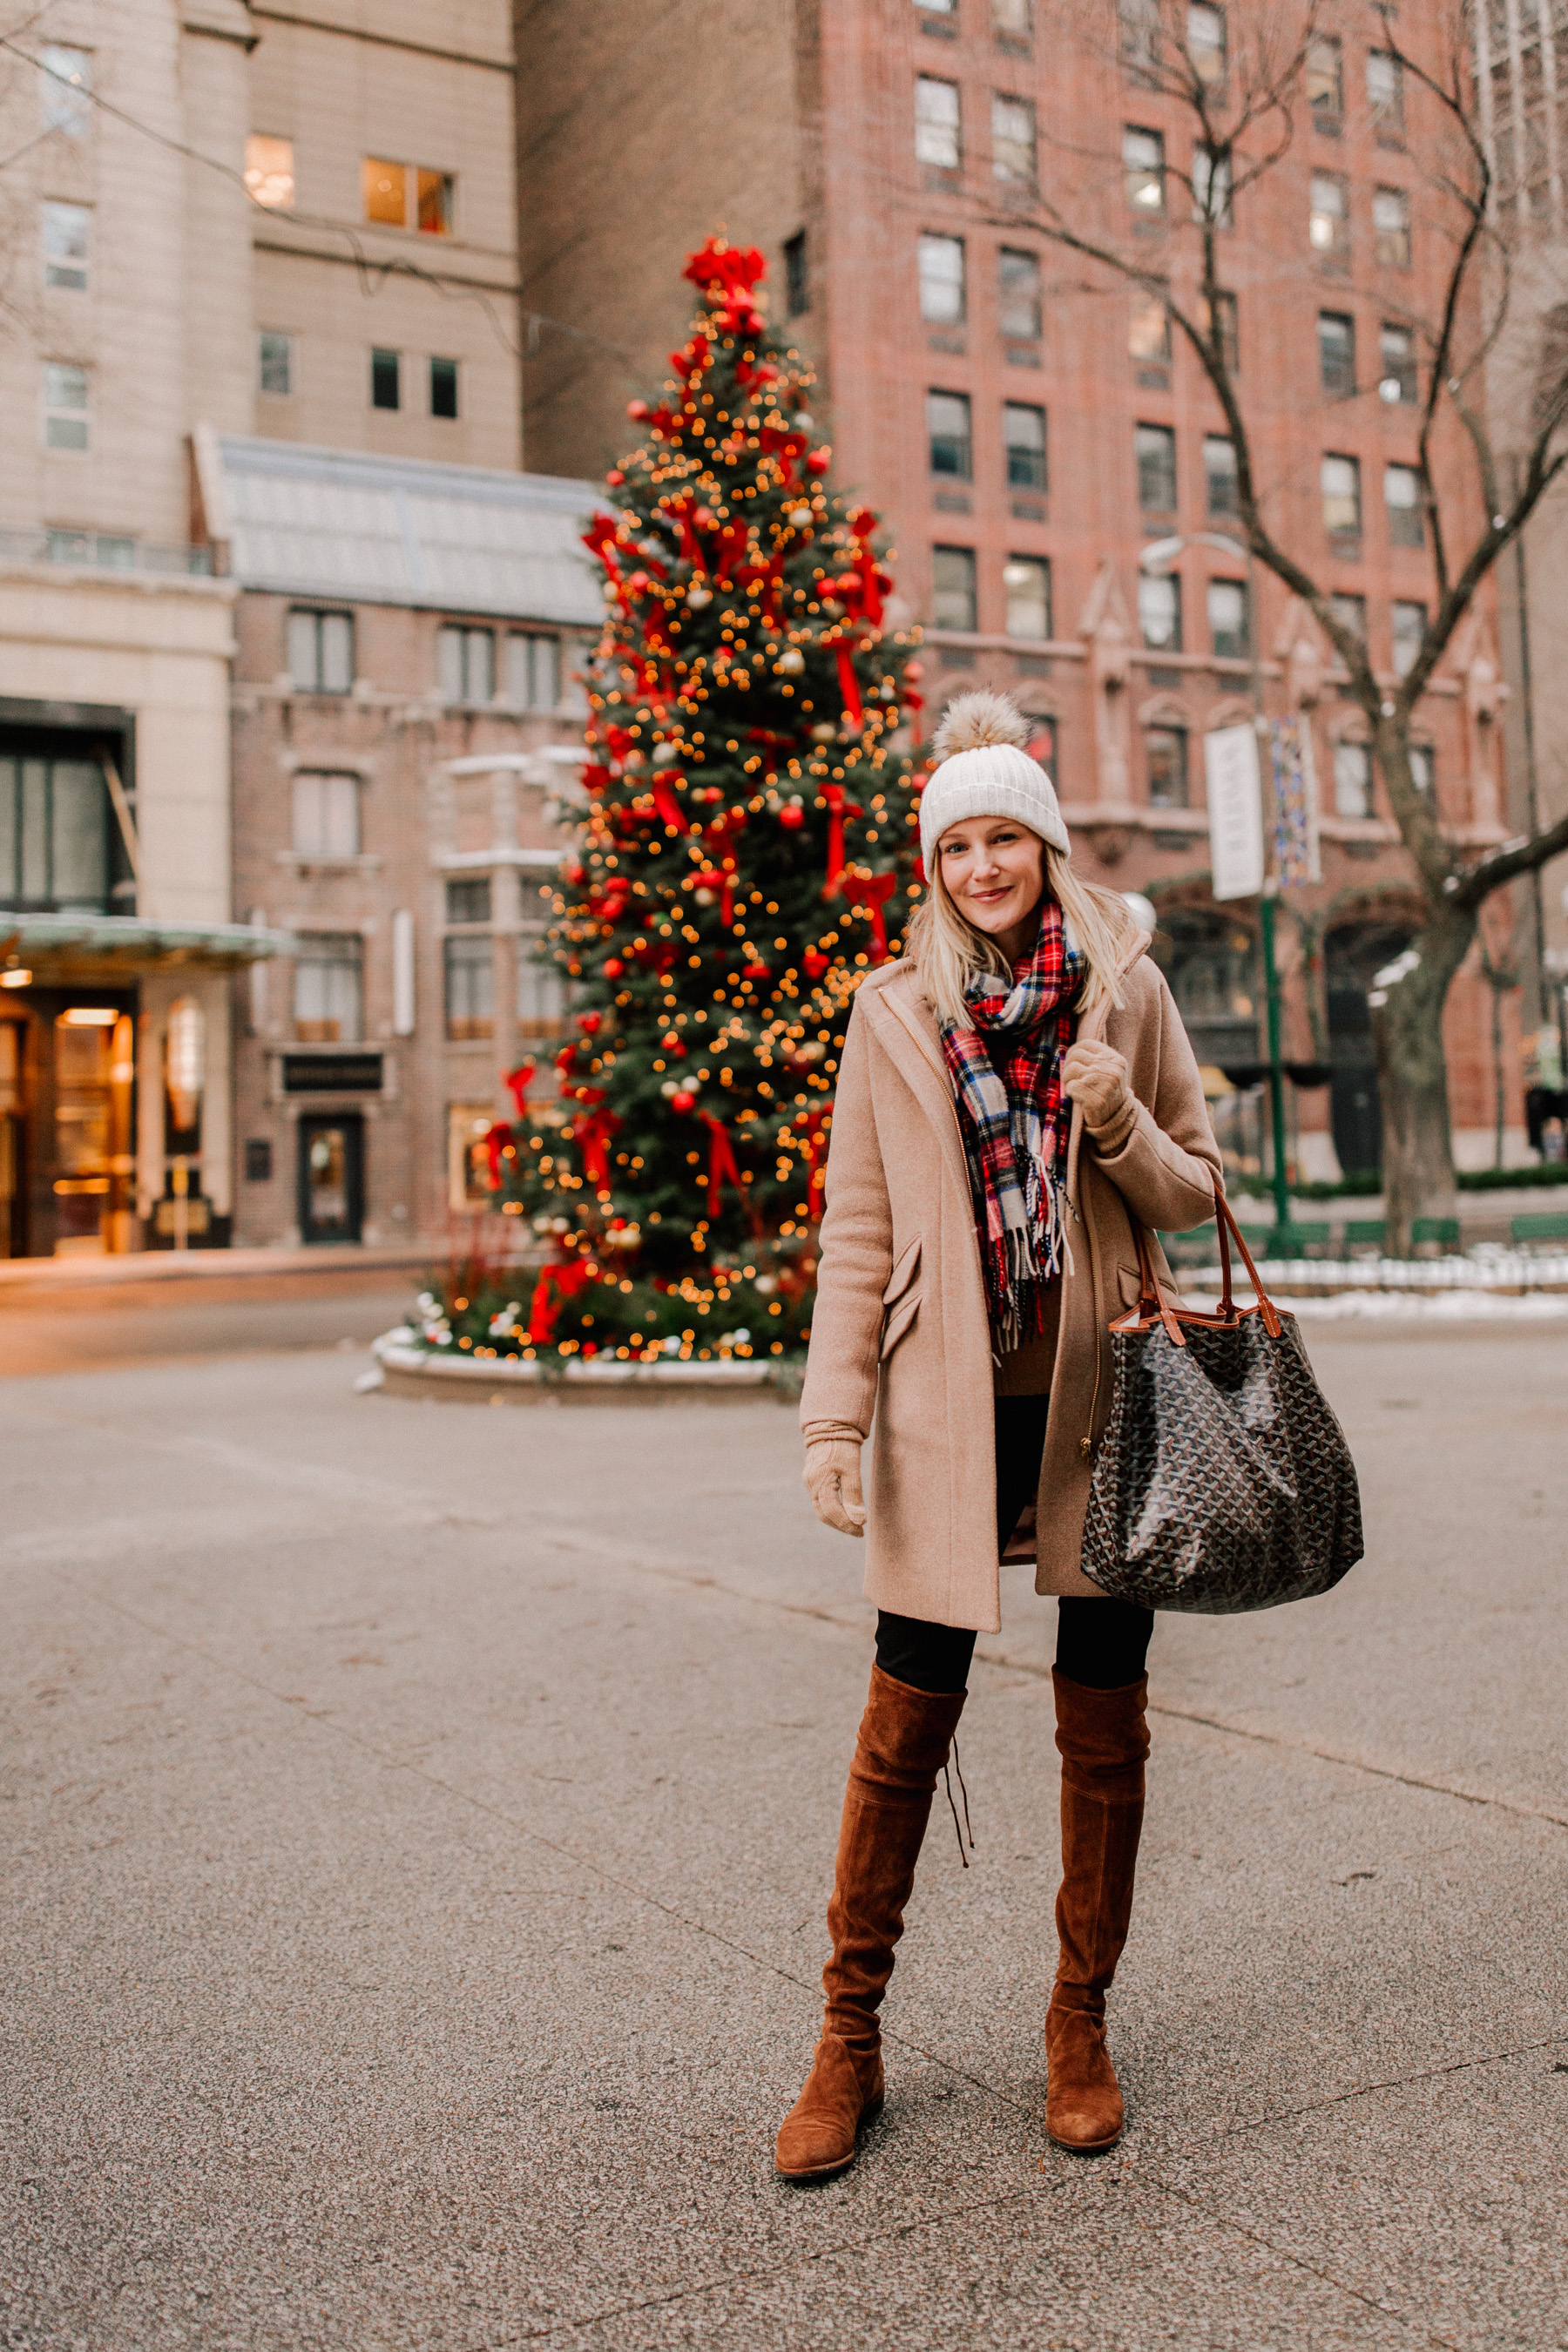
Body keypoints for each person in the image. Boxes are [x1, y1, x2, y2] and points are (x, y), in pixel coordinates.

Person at [775, 690, 1222, 2182]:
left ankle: (1078, 2021)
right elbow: (857, 1228)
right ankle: (849, 2038)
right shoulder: (891, 1010)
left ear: (1045, 843)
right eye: (955, 844)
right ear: (934, 862)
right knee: (907, 1721)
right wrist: (834, 1418)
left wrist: (1120, 1123)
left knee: (1104, 1725)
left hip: (1108, 1408)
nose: (981, 866)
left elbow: (1198, 1194)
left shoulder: (1128, 991)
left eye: (1004, 838)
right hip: (945, 1414)